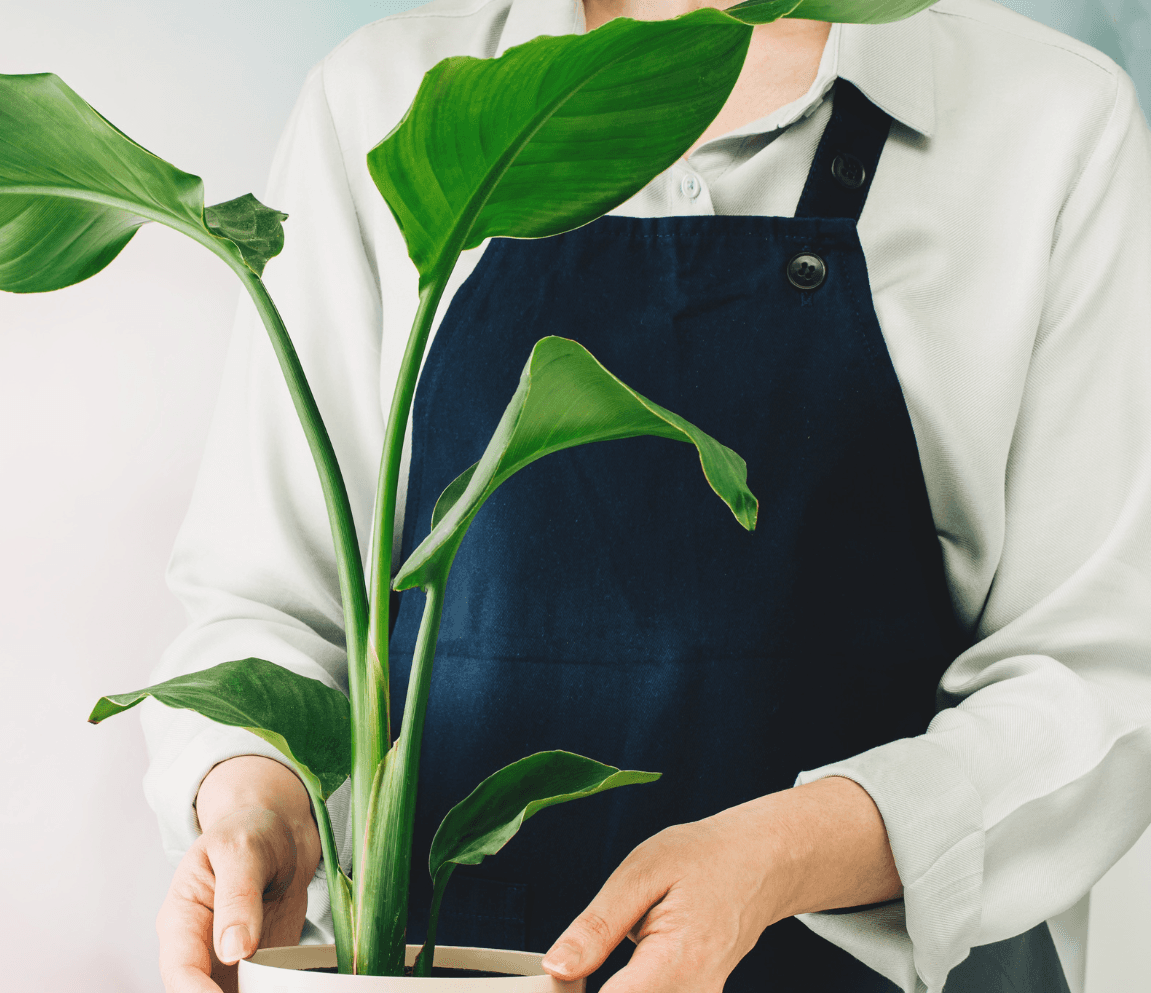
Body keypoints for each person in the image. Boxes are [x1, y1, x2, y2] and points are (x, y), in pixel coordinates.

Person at [139, 1, 1151, 991]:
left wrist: (784, 854)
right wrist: (255, 799)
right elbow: (269, 602)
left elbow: (1097, 680)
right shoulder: (382, 104)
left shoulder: (1046, 121)